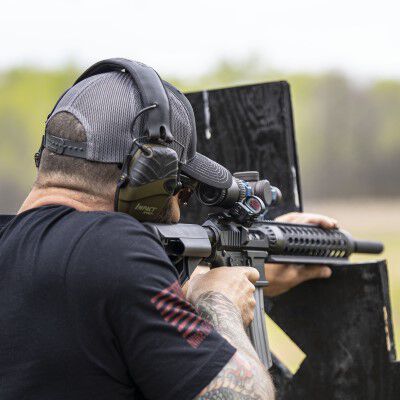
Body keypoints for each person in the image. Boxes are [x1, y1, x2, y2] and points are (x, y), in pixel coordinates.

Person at [0, 60, 337, 400]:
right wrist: (219, 302)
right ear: (149, 178)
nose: (178, 209)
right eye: (182, 188)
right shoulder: (115, 247)